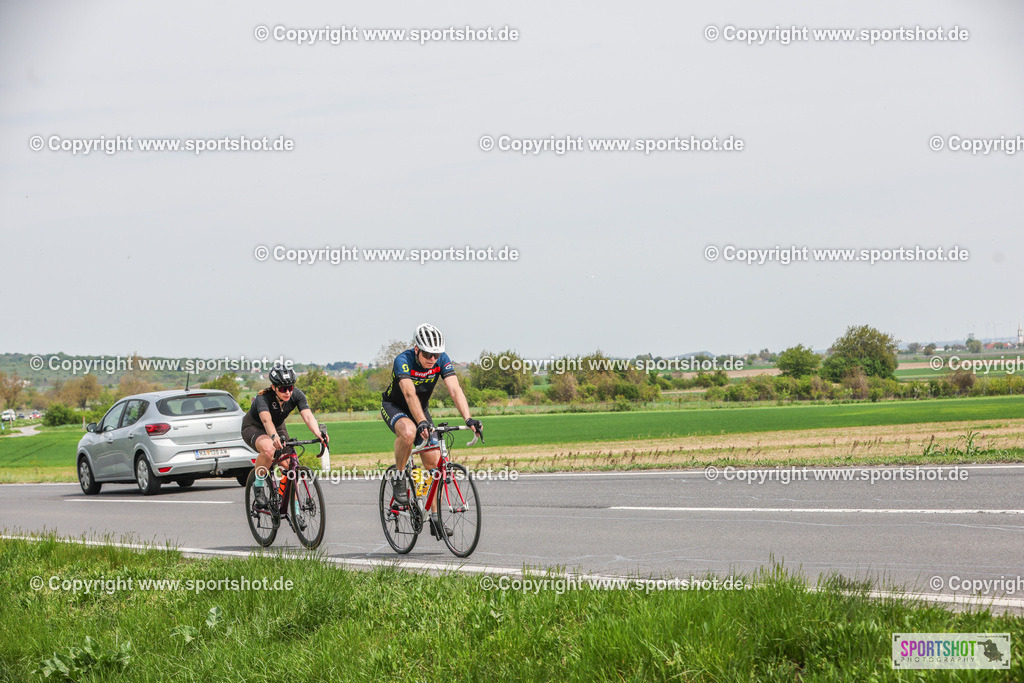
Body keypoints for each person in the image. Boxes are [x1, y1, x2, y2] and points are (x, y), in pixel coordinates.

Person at [380, 323, 482, 538]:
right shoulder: (403, 361)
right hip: (396, 406)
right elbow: (409, 395)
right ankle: (399, 476)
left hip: (421, 410)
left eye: (436, 354)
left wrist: (469, 418)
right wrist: (421, 423)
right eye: (428, 354)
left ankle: (435, 517)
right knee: (408, 433)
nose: (432, 359)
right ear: (416, 349)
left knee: (435, 463)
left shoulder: (441, 360)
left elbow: (455, 390)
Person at [242, 364, 329, 521]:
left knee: (292, 468)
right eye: (283, 389)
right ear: (274, 387)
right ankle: (259, 484)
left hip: (277, 427)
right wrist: (274, 436)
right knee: (269, 450)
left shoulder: (297, 395)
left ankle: (295, 511)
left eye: (290, 387)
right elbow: (266, 420)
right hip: (254, 427)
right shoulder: (263, 398)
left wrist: (319, 434)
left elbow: (308, 416)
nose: (288, 392)